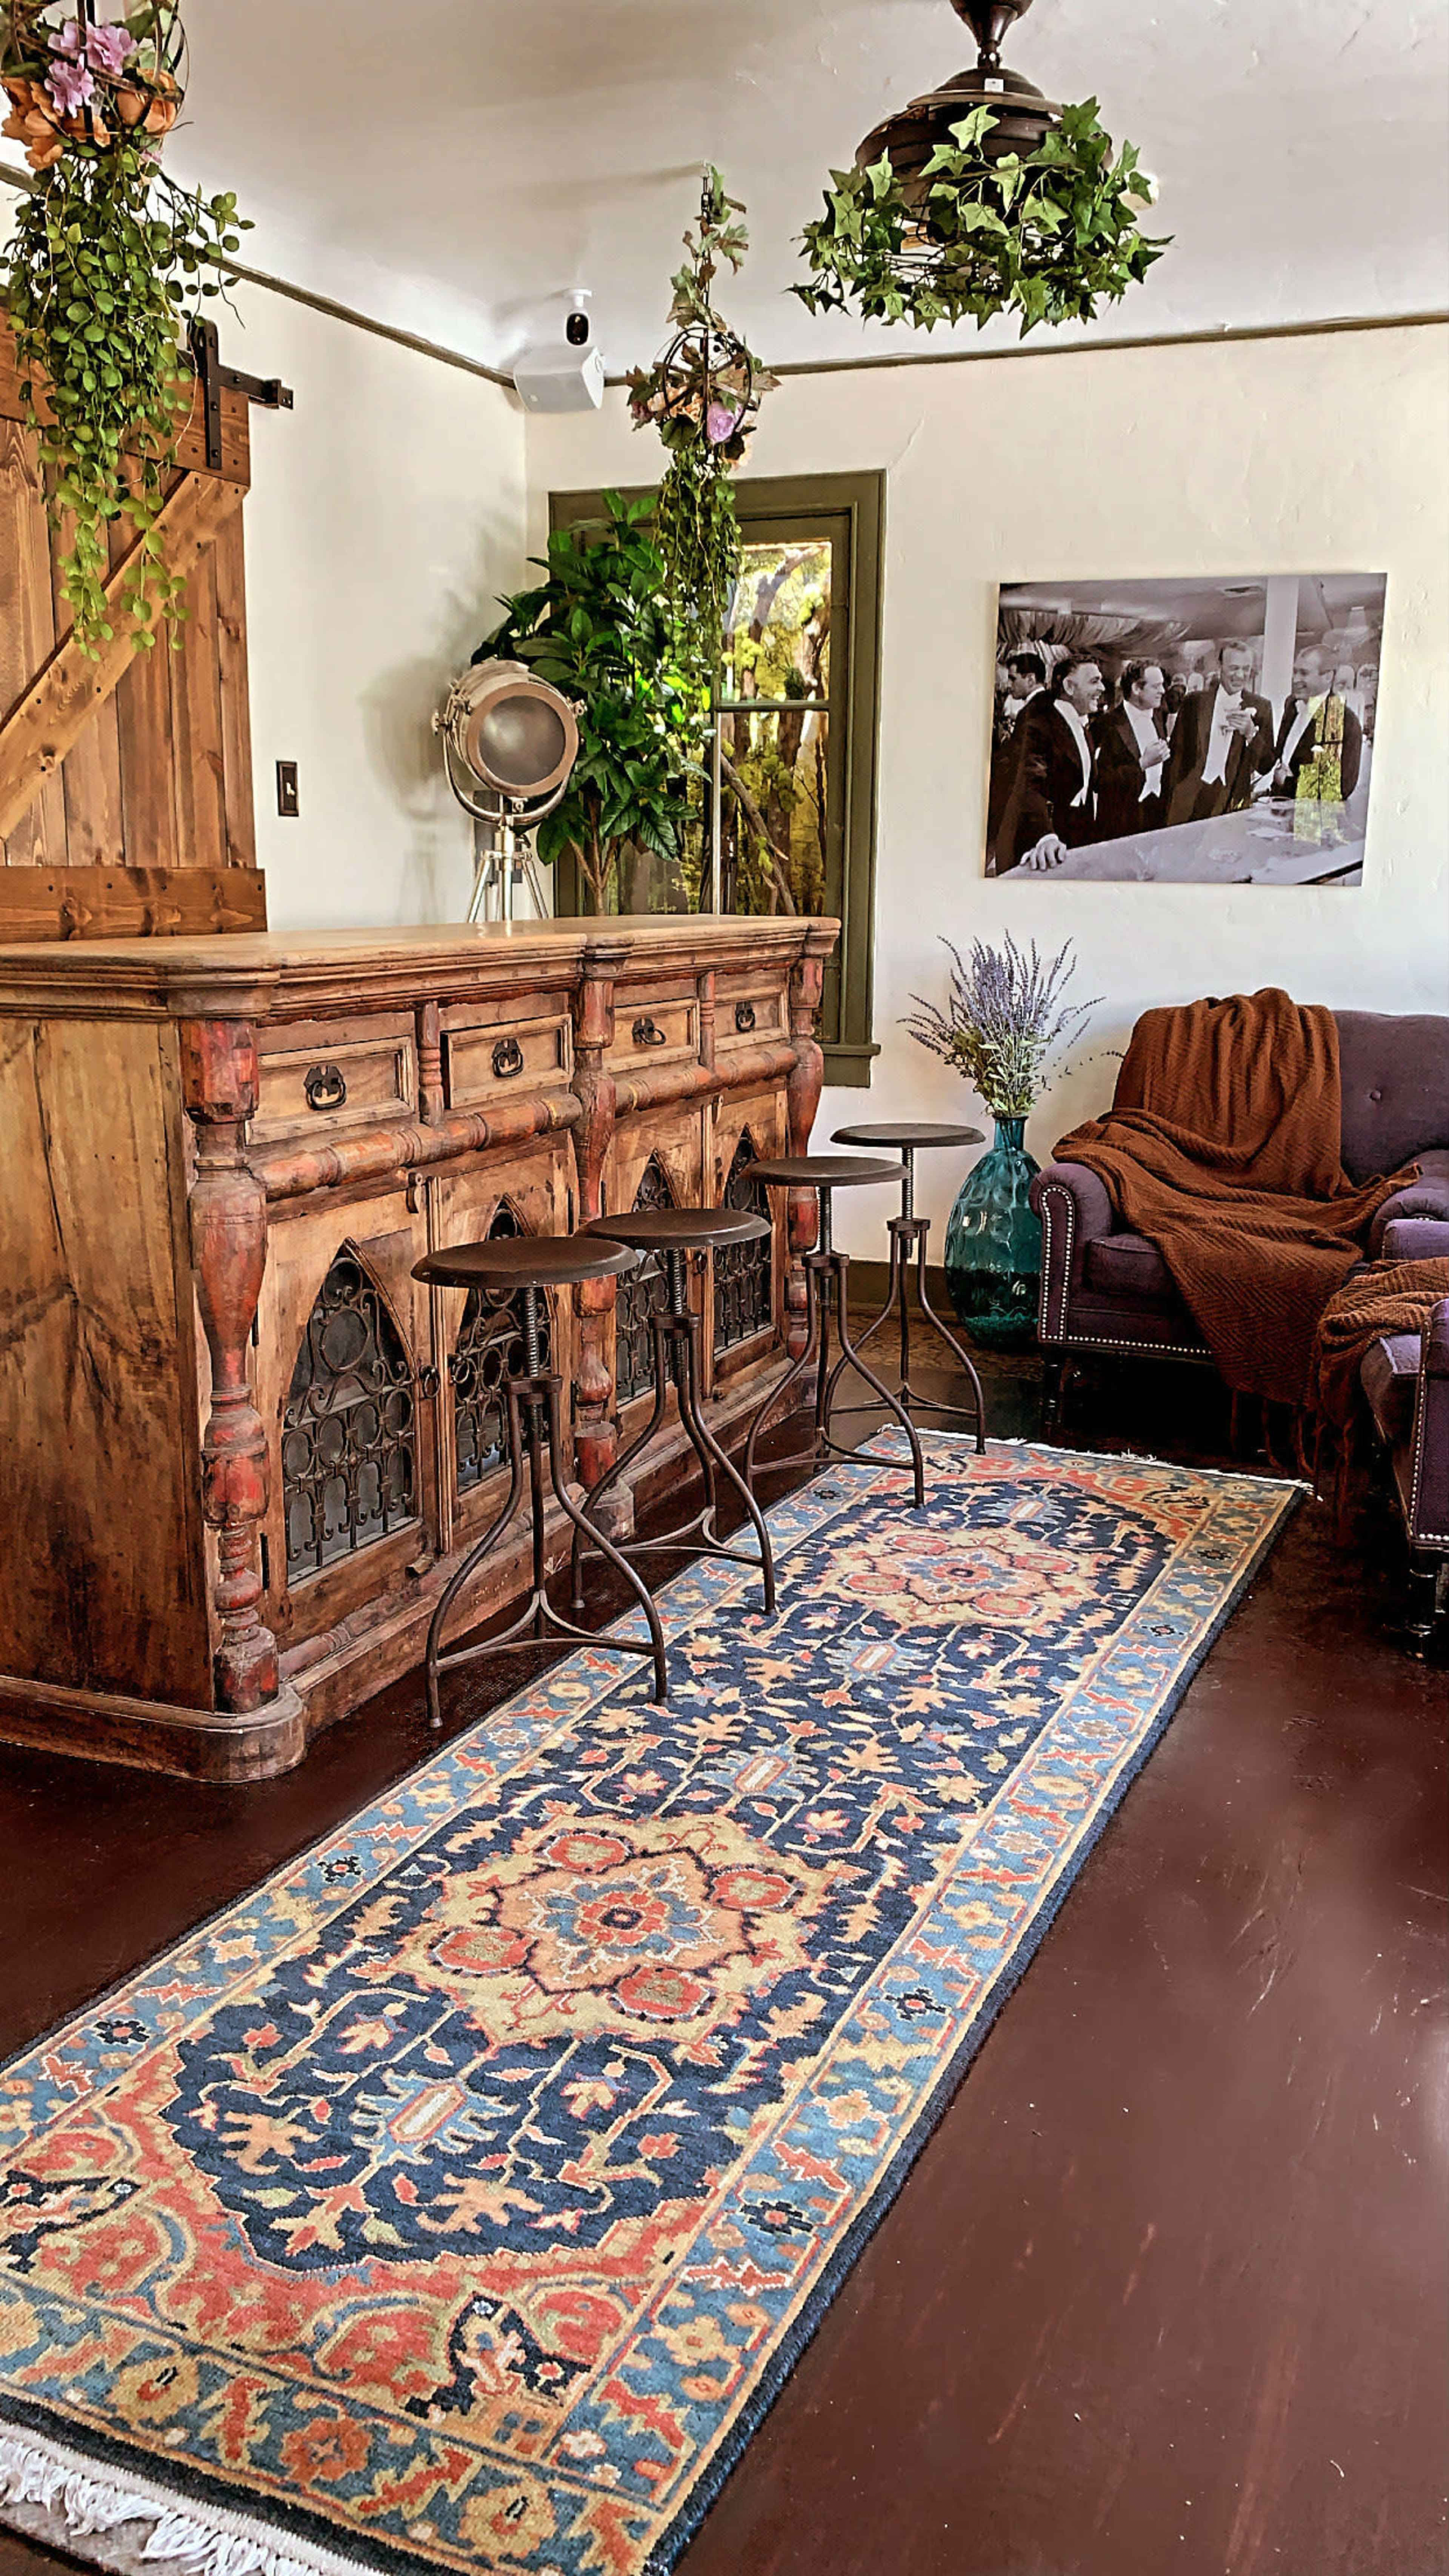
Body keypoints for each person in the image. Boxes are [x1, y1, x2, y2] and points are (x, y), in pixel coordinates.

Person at [992, 653, 1105, 873]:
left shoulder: (1083, 726)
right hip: (1042, 844)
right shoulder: (1040, 724)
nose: (1102, 688)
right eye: (1094, 681)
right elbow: (1029, 784)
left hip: (1073, 840)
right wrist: (1045, 836)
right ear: (1070, 687)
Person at [1161, 641, 1274, 825]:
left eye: (1246, 669)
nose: (1240, 675)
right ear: (1220, 666)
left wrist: (1251, 734)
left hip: (1231, 806)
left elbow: (1266, 765)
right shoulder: (1194, 703)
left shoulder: (1262, 707)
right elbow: (1175, 758)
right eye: (1234, 668)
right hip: (1187, 801)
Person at [1263, 646, 1363, 804]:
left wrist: (1287, 783)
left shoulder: (1345, 722)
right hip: (1277, 814)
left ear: (1328, 677)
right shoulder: (1291, 705)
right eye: (1295, 672)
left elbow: (1340, 788)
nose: (1296, 680)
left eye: (1304, 673)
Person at [1092, 658, 1170, 841]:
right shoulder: (1106, 725)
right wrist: (1142, 765)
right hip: (1122, 822)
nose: (1163, 691)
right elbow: (1100, 782)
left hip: (1156, 816)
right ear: (1137, 689)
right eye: (1157, 686)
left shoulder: (1159, 716)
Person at [986, 649, 1049, 854]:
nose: (1009, 685)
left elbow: (1019, 759)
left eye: (1014, 679)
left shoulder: (1032, 711)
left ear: (1030, 679)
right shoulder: (1045, 705)